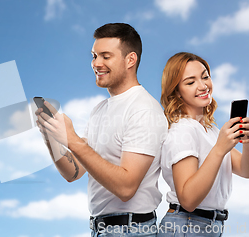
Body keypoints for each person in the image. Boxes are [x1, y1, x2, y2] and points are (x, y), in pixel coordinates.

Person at [35, 23, 168, 237]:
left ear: (130, 60)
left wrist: (72, 139)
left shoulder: (143, 109)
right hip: (103, 230)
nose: (96, 63)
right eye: (94, 56)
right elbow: (74, 172)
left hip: (132, 231)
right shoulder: (100, 110)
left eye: (106, 56)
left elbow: (126, 188)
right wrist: (50, 136)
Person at [157, 52, 249, 236]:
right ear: (177, 92)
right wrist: (219, 150)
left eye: (205, 77)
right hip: (187, 225)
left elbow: (248, 171)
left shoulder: (210, 131)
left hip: (206, 226)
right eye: (190, 82)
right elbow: (188, 200)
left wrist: (248, 144)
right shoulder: (183, 130)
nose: (203, 86)